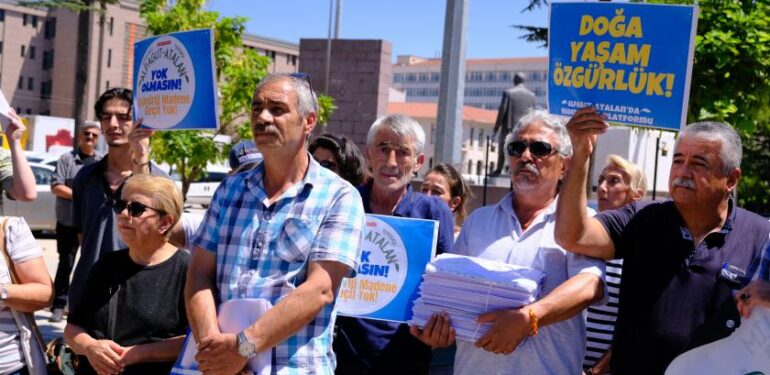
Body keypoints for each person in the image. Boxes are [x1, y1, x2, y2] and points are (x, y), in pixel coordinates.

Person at [555, 107, 770, 374]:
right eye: (678, 160)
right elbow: (572, 235)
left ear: (731, 179)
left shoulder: (762, 235)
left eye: (698, 164)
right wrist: (581, 155)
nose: (683, 172)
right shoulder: (641, 217)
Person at [186, 73, 365, 374]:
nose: (263, 117)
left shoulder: (339, 196)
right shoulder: (230, 190)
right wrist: (214, 349)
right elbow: (199, 274)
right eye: (257, 108)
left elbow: (319, 290)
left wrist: (242, 348)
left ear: (309, 122)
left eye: (277, 109)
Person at [412, 110, 606, 374]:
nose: (525, 156)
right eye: (516, 148)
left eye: (539, 148)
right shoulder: (478, 222)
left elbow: (590, 286)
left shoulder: (582, 224)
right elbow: (451, 296)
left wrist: (528, 319)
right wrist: (437, 330)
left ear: (565, 166)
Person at [334, 114, 456, 374]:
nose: (391, 162)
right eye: (383, 149)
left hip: (407, 359)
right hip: (339, 358)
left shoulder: (433, 212)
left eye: (402, 152)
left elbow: (447, 287)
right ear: (369, 154)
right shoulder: (345, 201)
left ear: (418, 162)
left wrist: (438, 329)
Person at [65, 175, 188, 375]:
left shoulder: (186, 270)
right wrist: (90, 347)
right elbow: (73, 328)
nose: (123, 214)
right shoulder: (106, 264)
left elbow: (194, 340)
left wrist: (135, 354)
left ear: (165, 223)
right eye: (120, 205)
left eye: (136, 209)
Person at [69, 87, 169, 314]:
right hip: (87, 295)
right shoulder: (85, 177)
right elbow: (84, 237)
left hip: (137, 299)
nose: (113, 124)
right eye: (106, 116)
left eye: (123, 117)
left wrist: (141, 160)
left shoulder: (161, 181)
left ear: (139, 123)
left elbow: (165, 244)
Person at [583, 154, 647, 375]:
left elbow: (638, 323)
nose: (602, 188)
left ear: (636, 196)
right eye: (600, 180)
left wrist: (595, 371)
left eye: (613, 181)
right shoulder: (580, 241)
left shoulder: (639, 251)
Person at [49, 121, 103, 323]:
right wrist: (82, 195)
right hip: (67, 222)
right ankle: (58, 304)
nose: (90, 138)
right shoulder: (66, 159)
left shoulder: (101, 161)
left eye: (94, 135)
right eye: (86, 134)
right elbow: (56, 186)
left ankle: (82, 304)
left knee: (92, 264)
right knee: (66, 263)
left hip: (91, 223)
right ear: (79, 136)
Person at [491, 72, 536, 175]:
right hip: (525, 129)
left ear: (514, 80)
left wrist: (496, 128)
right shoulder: (531, 95)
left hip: (509, 128)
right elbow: (534, 113)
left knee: (503, 149)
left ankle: (499, 170)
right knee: (521, 151)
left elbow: (502, 110)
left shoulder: (508, 93)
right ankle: (514, 170)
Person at [420, 162, 473, 236]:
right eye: (424, 189)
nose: (427, 196)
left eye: (437, 192)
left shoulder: (460, 241)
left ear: (454, 202)